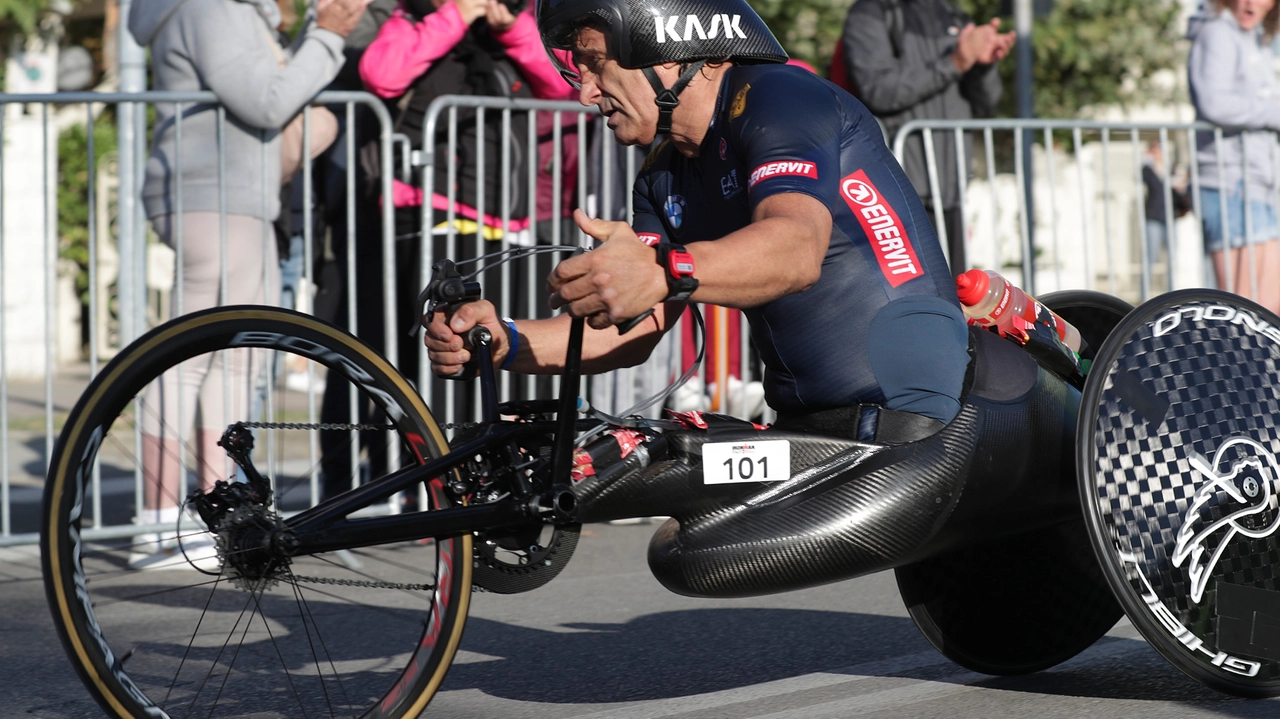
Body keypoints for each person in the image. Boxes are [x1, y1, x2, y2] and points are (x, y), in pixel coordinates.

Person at [425, 0, 971, 441]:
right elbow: (636, 329)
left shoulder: (778, 95)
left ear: (668, 51)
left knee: (682, 548)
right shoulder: (660, 174)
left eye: (595, 63)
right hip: (809, 423)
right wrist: (502, 343)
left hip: (908, 410)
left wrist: (662, 270)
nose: (585, 92)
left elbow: (795, 249)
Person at [127, 0, 368, 567]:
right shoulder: (213, 8)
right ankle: (163, 523)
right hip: (218, 196)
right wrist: (327, 37)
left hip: (223, 194)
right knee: (195, 361)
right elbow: (265, 102)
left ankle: (205, 517)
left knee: (230, 362)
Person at [839, 0, 1015, 275]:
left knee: (954, 300)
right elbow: (879, 90)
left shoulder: (952, 12)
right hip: (896, 191)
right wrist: (956, 62)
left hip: (950, 191)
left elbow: (987, 102)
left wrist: (983, 64)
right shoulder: (874, 11)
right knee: (911, 297)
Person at [1187, 0, 1280, 313]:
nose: (1250, 2)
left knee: (1267, 309)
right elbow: (1214, 103)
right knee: (1248, 312)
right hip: (1232, 183)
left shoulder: (1255, 41)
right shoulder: (1217, 33)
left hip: (1259, 182)